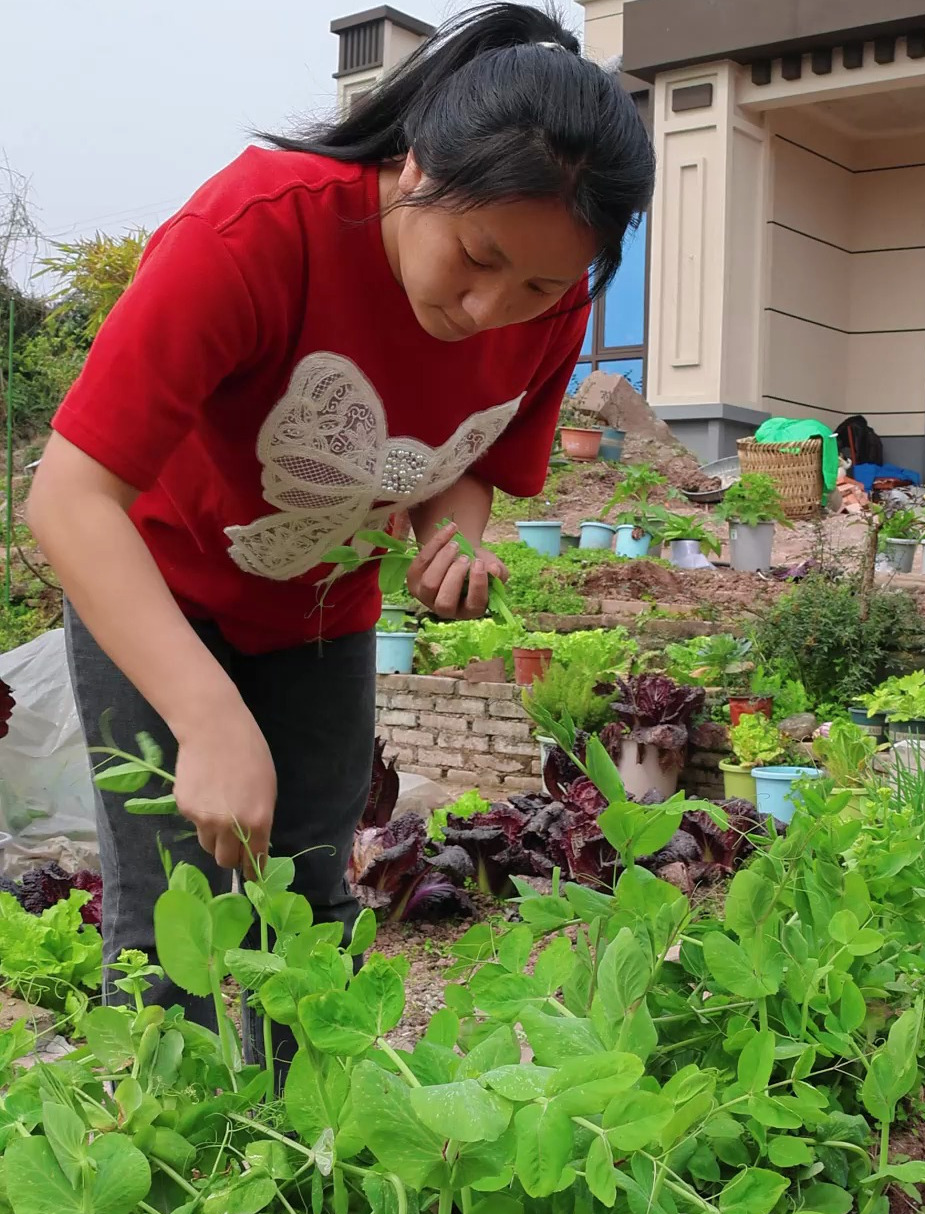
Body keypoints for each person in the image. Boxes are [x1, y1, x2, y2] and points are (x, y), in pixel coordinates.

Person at [26, 2, 655, 1062]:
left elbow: (470, 462)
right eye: (477, 253)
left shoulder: (551, 309)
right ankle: (159, 1194)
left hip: (321, 612)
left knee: (314, 901)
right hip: (158, 588)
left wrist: (451, 538)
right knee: (166, 925)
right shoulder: (256, 235)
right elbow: (67, 497)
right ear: (417, 169)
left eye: (541, 284)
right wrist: (207, 712)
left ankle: (291, 1154)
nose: (492, 306)